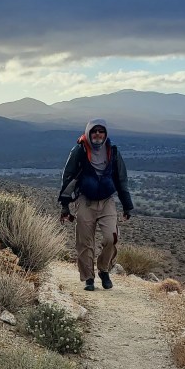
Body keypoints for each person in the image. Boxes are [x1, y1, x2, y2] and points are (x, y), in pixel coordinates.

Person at [58, 120, 134, 291]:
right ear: (88, 133)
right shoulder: (80, 150)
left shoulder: (113, 152)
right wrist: (65, 205)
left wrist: (127, 206)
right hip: (85, 200)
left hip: (107, 201)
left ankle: (103, 269)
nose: (98, 135)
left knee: (111, 238)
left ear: (106, 133)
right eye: (94, 132)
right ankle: (88, 278)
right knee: (84, 242)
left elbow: (121, 179)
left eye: (101, 131)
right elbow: (68, 176)